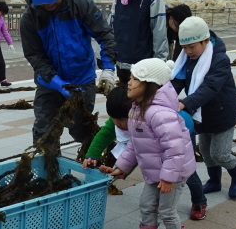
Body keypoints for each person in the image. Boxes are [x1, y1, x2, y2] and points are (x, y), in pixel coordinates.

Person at [100, 58, 196, 229]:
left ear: (151, 85)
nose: (129, 82)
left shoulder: (160, 114)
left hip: (173, 173)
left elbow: (175, 149)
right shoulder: (136, 109)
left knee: (167, 211)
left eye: (136, 79)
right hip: (155, 171)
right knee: (146, 204)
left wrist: (169, 177)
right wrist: (122, 167)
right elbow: (135, 143)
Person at [20, 0, 117, 144]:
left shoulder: (82, 5)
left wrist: (108, 68)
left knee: (82, 130)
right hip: (49, 83)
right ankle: (46, 171)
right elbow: (34, 56)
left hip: (82, 79)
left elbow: (105, 35)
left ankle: (95, 164)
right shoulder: (30, 18)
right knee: (44, 132)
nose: (48, 4)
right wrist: (56, 83)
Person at [82, 86, 208, 220]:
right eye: (114, 119)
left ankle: (199, 201)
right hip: (154, 145)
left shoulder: (147, 120)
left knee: (186, 172)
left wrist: (121, 171)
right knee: (156, 170)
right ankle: (162, 199)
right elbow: (106, 137)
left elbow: (141, 154)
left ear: (132, 114)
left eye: (121, 120)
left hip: (179, 138)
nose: (117, 124)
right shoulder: (120, 118)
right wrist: (92, 155)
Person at [171, 16, 236, 199]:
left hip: (222, 114)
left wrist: (185, 103)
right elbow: (177, 81)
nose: (188, 51)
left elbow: (210, 87)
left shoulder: (219, 59)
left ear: (205, 40)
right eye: (184, 47)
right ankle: (214, 181)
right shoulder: (186, 58)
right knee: (205, 151)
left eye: (192, 47)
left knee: (220, 154)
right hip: (202, 114)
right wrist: (164, 96)